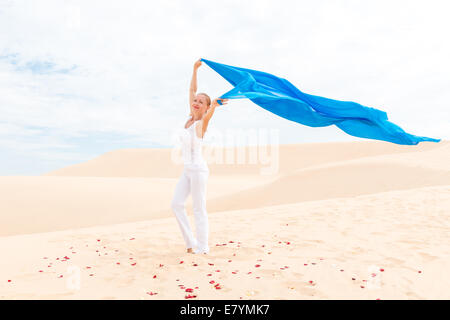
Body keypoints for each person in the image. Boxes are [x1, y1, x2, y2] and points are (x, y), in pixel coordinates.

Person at [171, 58, 229, 254]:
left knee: (198, 208)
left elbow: (211, 111)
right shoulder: (189, 118)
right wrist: (195, 69)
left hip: (198, 170)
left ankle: (203, 247)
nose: (196, 102)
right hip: (187, 170)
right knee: (176, 204)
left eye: (200, 102)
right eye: (195, 100)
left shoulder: (201, 124)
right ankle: (190, 242)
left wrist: (214, 106)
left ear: (205, 107)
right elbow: (191, 91)